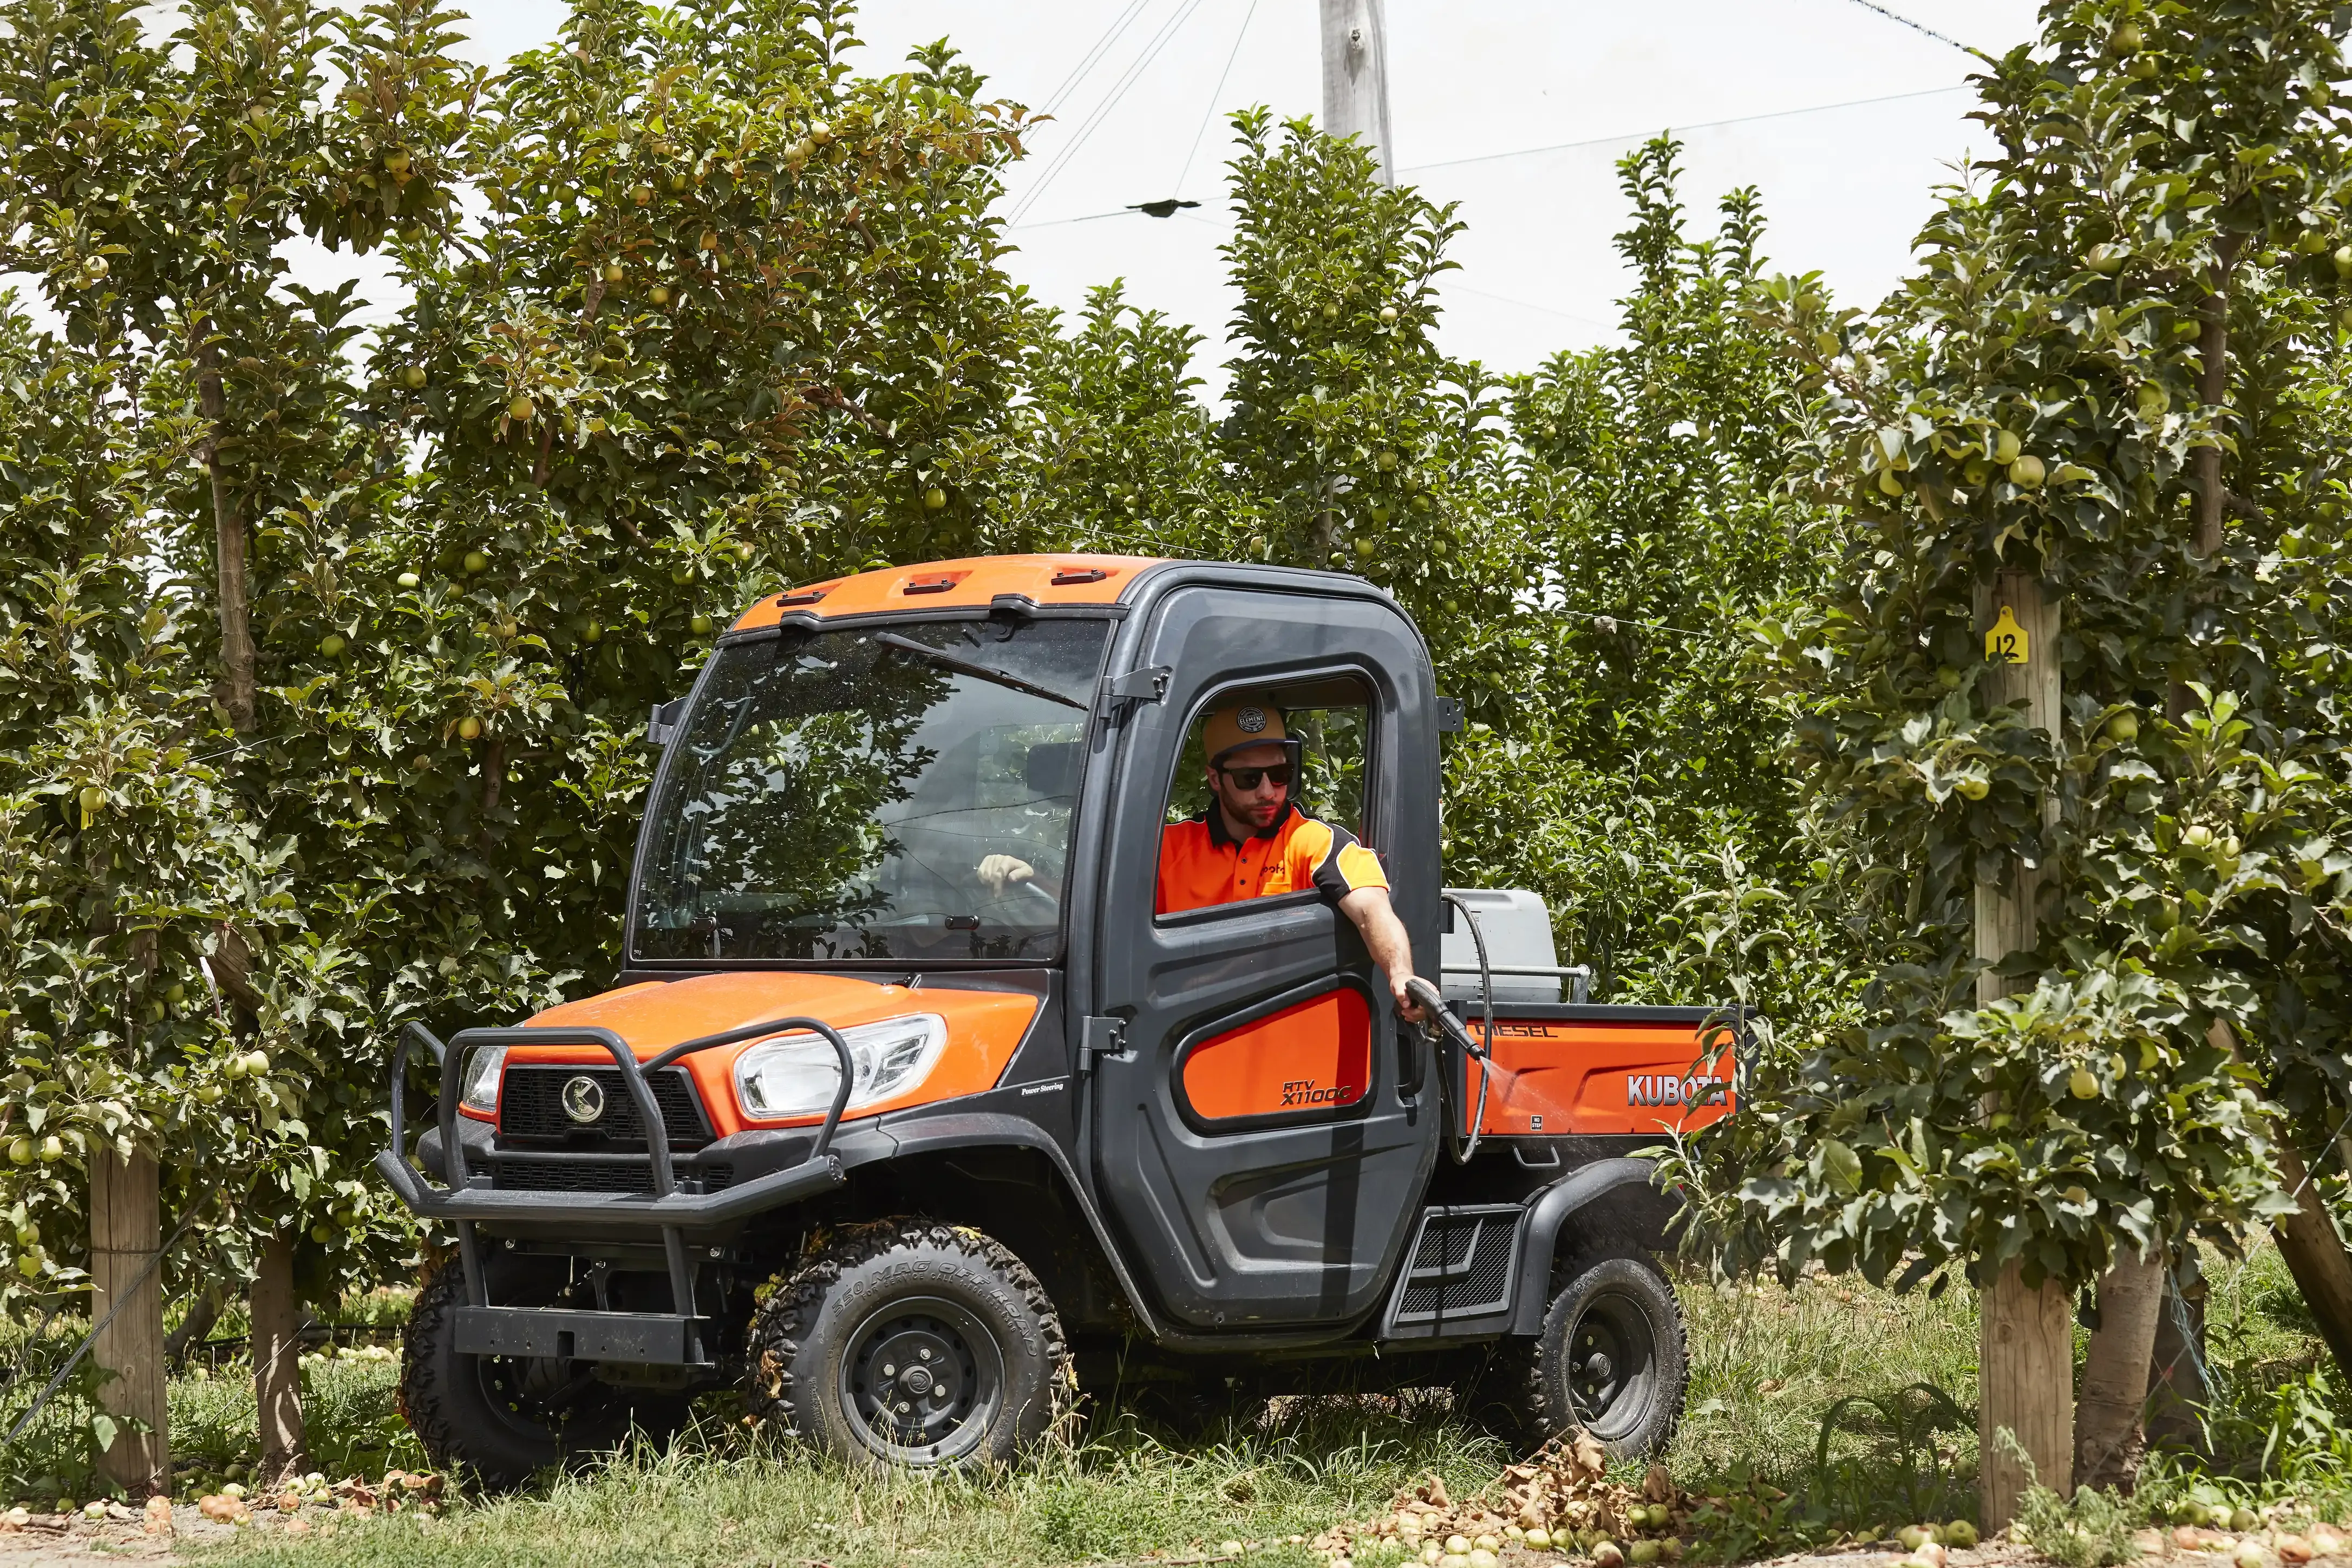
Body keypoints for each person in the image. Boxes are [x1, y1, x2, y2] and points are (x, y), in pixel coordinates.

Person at [977, 699, 1425, 1021]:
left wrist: (1402, 975)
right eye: (1250, 778)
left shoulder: (1315, 842)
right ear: (1215, 778)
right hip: (1184, 1026)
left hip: (1283, 1026)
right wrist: (1030, 877)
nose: (1269, 791)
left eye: (1280, 774)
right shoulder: (1168, 848)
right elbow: (1097, 909)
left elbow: (1371, 912)